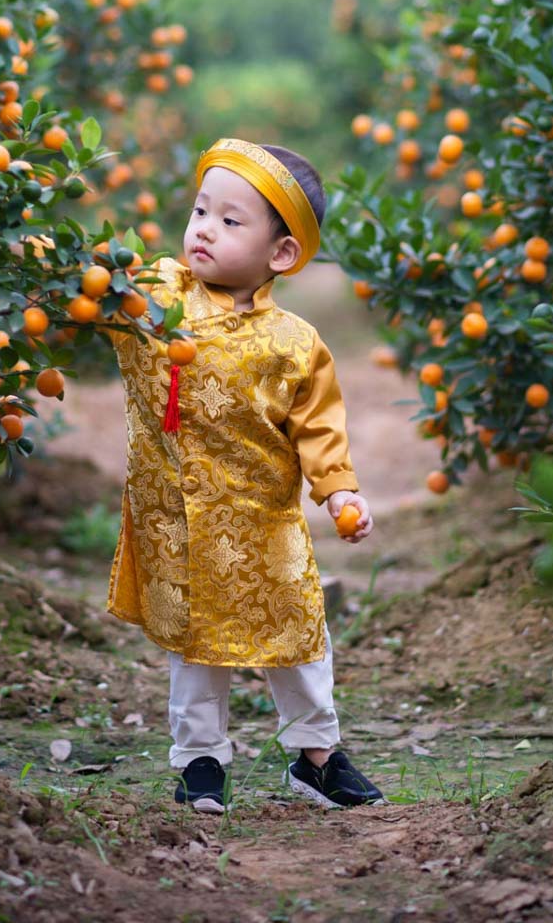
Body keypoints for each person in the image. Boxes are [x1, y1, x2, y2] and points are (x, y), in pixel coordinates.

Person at [102, 137, 385, 813]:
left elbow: (317, 426)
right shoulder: (158, 295)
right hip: (179, 519)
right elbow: (95, 288)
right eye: (201, 211)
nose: (204, 229)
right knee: (194, 649)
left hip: (262, 522)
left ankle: (316, 756)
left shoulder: (293, 343)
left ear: (280, 254)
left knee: (296, 639)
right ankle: (200, 761)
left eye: (231, 222)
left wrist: (338, 489)